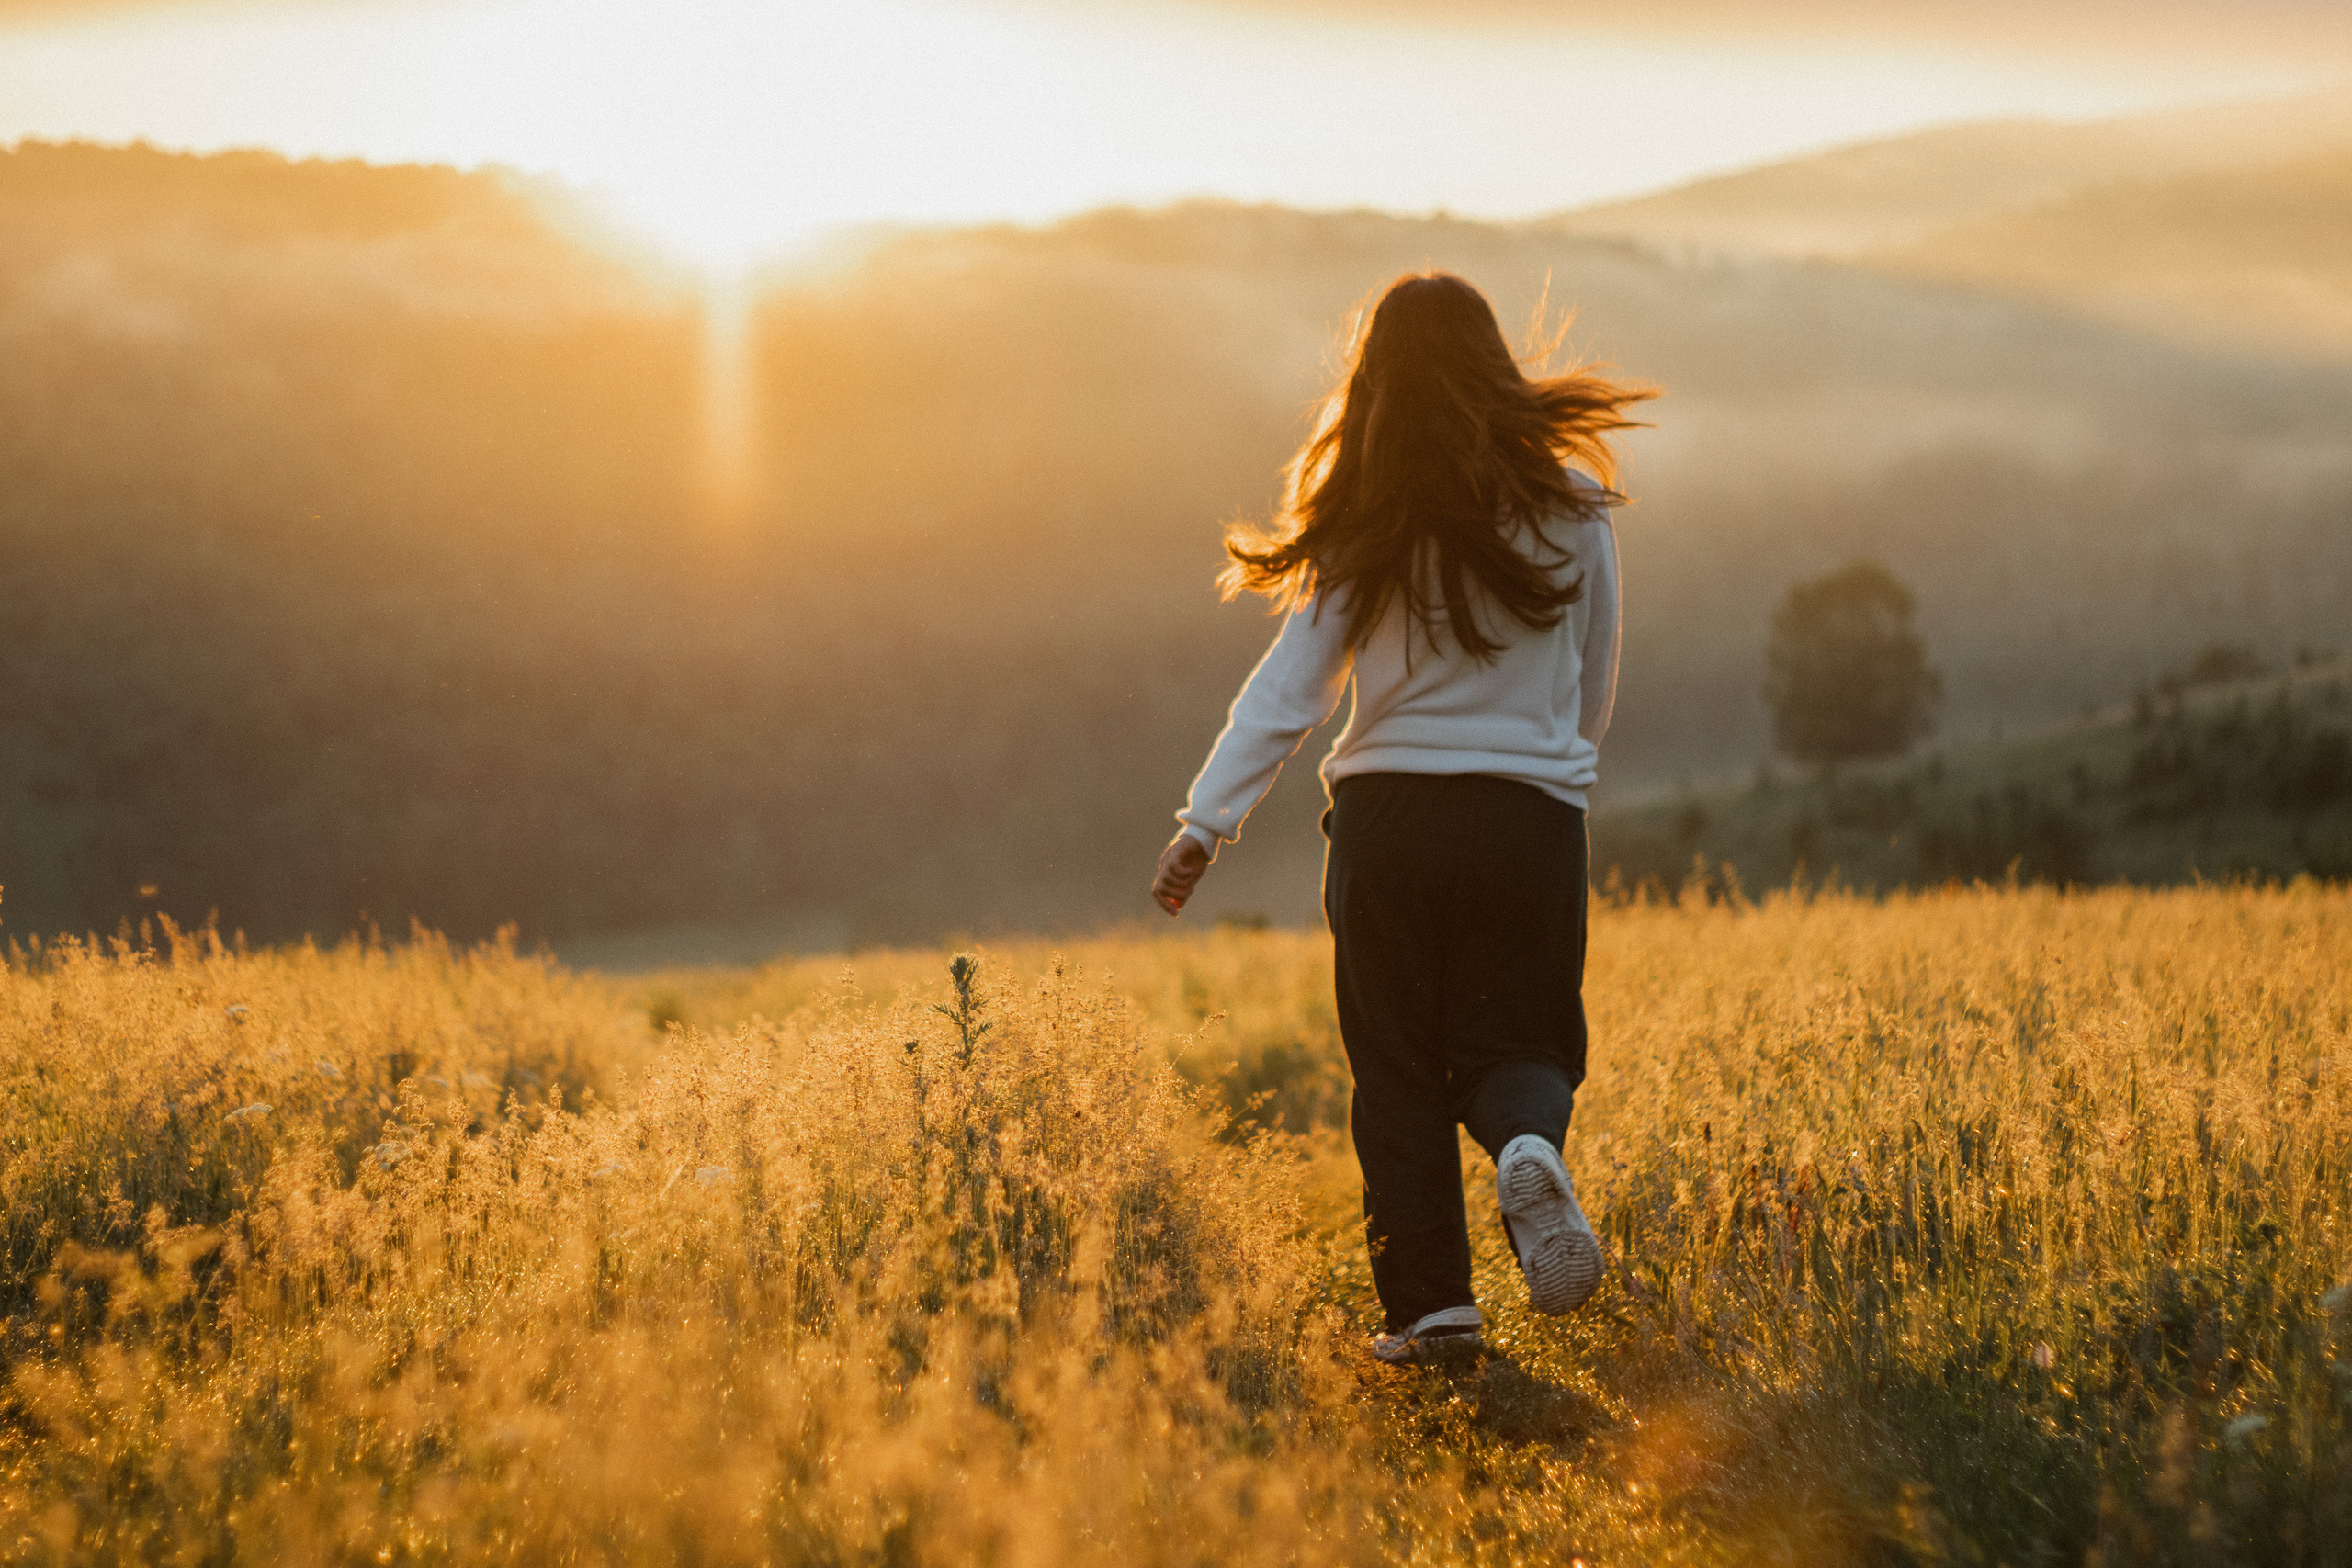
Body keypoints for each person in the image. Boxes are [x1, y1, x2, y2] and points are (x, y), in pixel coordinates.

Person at [1149, 272, 1652, 1365]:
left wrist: (1205, 821)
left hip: (1388, 822)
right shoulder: (1574, 504)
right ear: (1495, 368)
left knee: (1394, 1068)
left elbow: (1288, 690)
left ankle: (1430, 1313)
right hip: (1528, 821)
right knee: (1519, 1041)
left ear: (1374, 380)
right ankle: (1526, 1141)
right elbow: (1594, 680)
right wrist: (1549, 773)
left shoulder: (1366, 516)